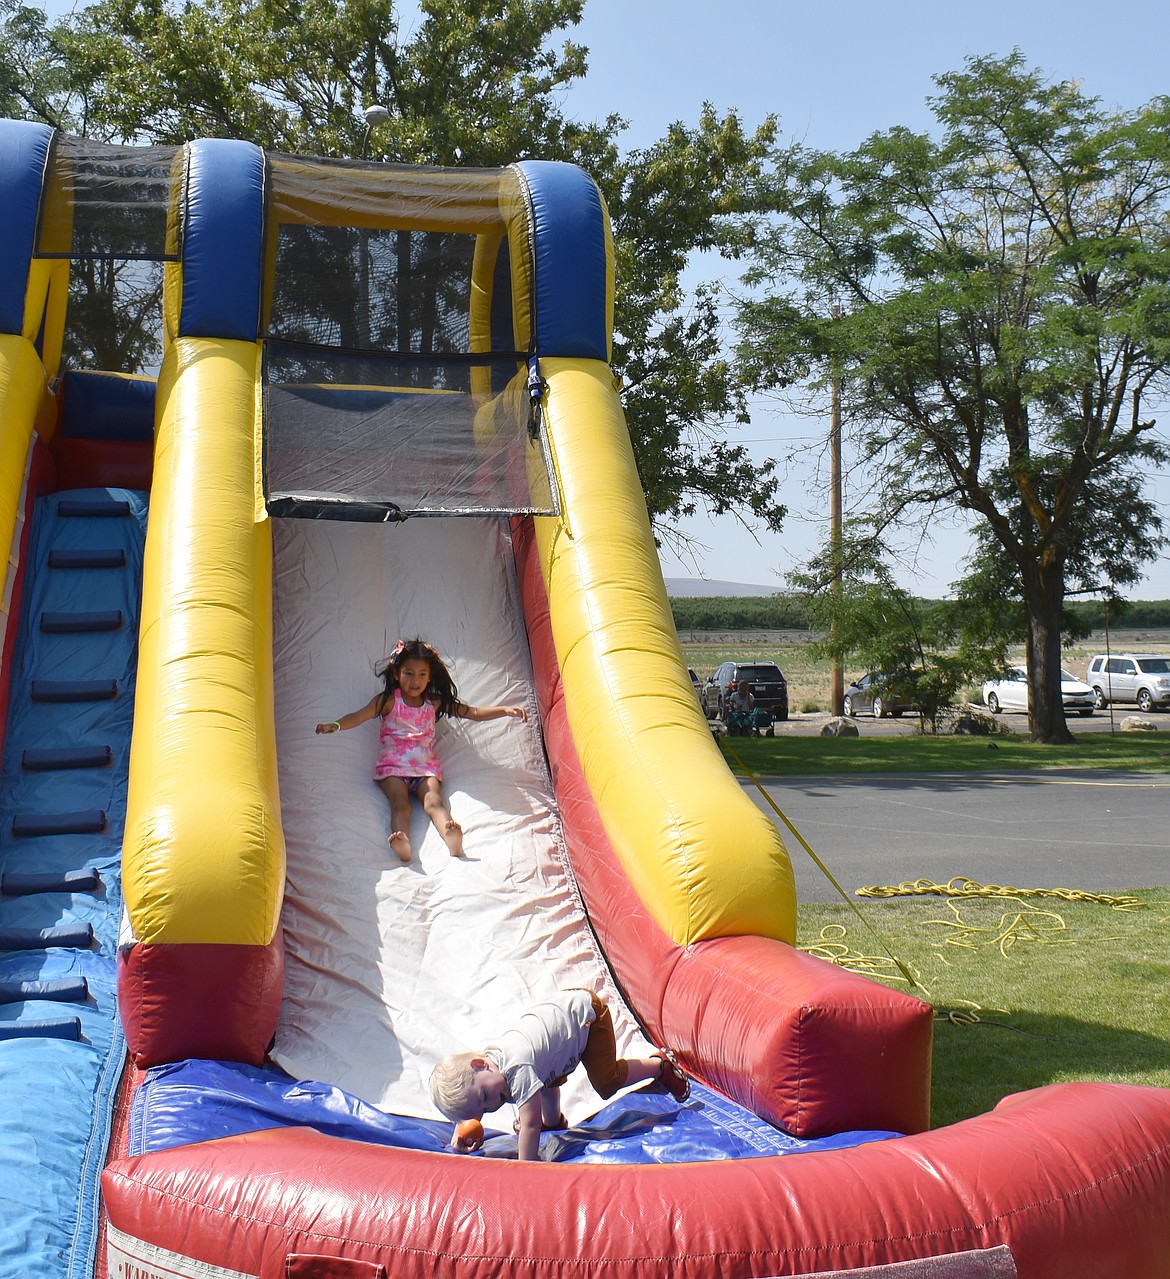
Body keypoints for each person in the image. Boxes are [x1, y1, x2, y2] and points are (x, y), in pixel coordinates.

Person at [315, 638, 527, 862]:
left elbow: (471, 712)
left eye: (422, 674)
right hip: (393, 768)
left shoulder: (433, 702)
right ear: (397, 674)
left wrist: (504, 709)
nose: (415, 681)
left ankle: (450, 834)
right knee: (400, 803)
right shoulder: (388, 701)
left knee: (434, 801)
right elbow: (358, 716)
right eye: (408, 673)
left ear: (430, 676)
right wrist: (336, 725)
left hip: (425, 767)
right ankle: (402, 841)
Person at [428, 989, 691, 1160]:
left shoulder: (517, 1068)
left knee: (606, 1081)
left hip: (587, 1017)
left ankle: (660, 1066)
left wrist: (525, 1171)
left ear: (480, 1064)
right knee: (546, 1083)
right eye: (484, 1110)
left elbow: (529, 1125)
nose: (492, 1104)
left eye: (485, 1096)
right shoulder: (489, 1072)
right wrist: (460, 1134)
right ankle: (554, 1123)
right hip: (558, 1029)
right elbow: (473, 1102)